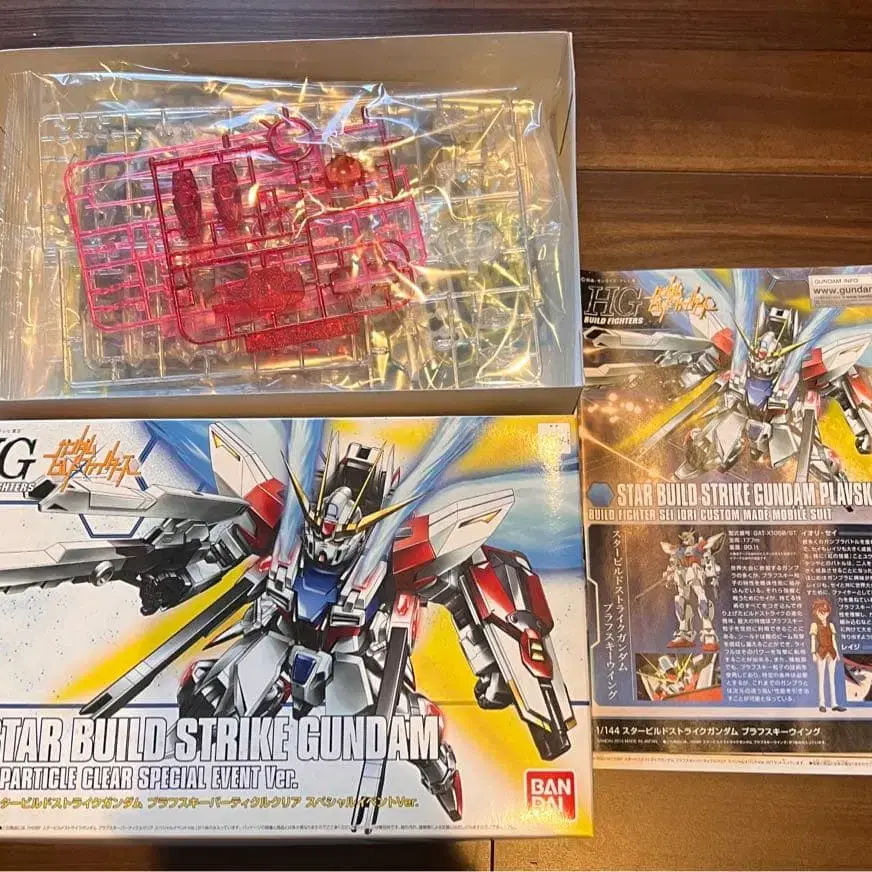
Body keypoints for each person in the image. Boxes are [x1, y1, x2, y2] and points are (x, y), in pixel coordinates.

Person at [810, 597, 847, 713]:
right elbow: (813, 640)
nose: (823, 614)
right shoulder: (814, 625)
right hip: (821, 652)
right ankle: (822, 703)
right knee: (821, 679)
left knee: (832, 679)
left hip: (832, 653)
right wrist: (813, 653)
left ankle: (834, 703)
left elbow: (833, 640)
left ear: (828, 612)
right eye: (820, 612)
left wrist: (837, 653)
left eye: (825, 612)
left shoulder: (831, 625)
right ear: (816, 612)